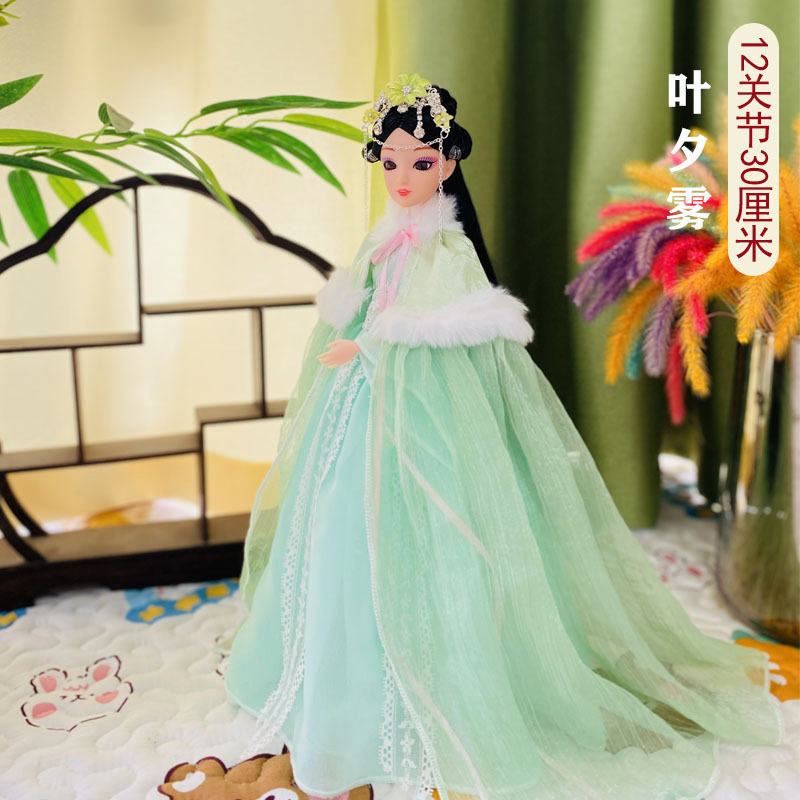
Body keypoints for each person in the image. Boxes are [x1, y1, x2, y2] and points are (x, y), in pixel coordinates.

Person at [222, 74, 784, 800]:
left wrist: (368, 345)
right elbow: (364, 301)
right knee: (336, 523)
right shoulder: (386, 238)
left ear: (447, 163)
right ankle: (334, 670)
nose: (402, 177)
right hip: (362, 405)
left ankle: (440, 673)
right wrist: (352, 332)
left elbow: (435, 324)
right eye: (389, 163)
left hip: (420, 409)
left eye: (420, 162)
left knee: (431, 527)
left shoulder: (448, 249)